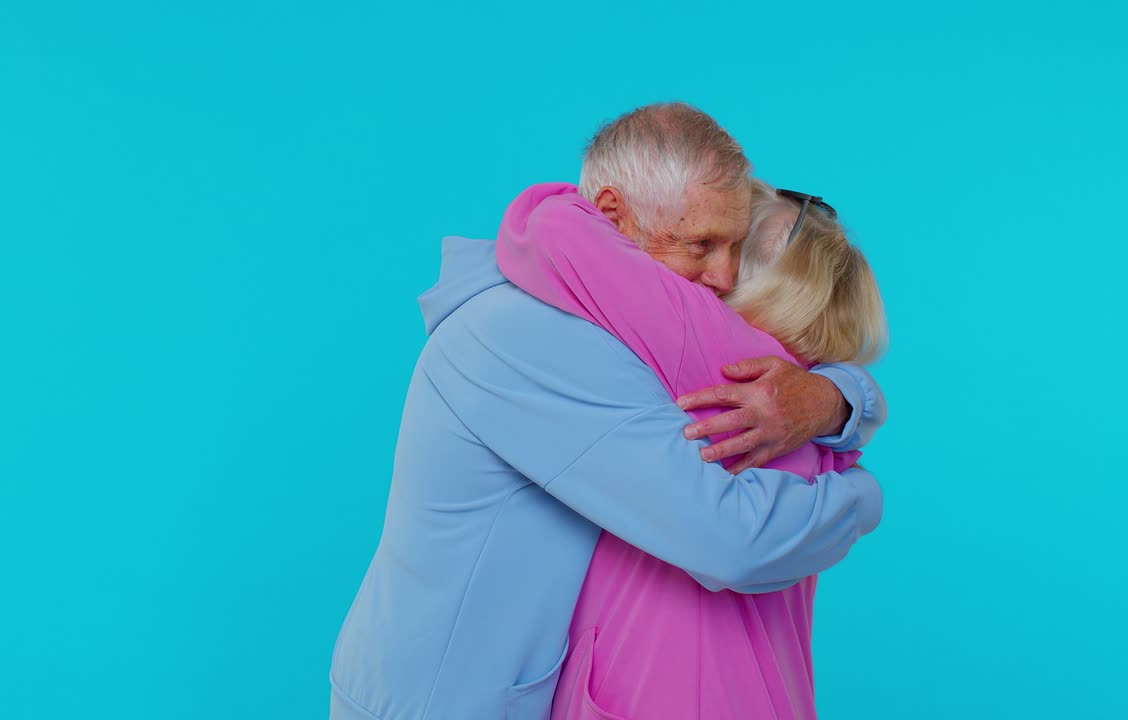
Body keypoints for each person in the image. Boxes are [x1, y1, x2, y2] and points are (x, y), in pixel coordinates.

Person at [328, 102, 887, 719]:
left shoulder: (597, 314)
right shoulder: (527, 338)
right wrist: (858, 494)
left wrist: (836, 399)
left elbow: (770, 353)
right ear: (613, 217)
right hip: (442, 701)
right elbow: (731, 539)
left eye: (734, 244)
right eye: (701, 244)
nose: (723, 276)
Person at [496, 177, 886, 719]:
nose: (710, 267)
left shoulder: (706, 352)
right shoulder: (805, 408)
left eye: (728, 245)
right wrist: (846, 408)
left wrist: (602, 200)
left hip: (656, 694)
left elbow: (547, 228)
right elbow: (858, 426)